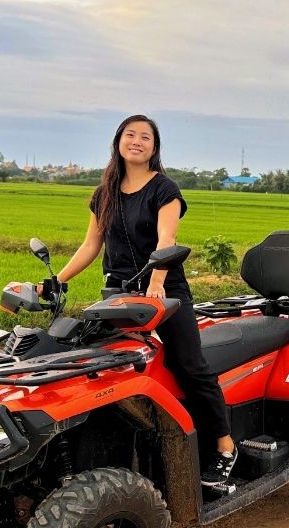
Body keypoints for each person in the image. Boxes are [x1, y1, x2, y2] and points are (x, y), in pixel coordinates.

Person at [44, 115, 236, 489]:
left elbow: (167, 240)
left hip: (165, 291)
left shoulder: (165, 189)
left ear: (154, 147)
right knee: (99, 362)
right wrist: (55, 282)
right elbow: (90, 245)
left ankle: (225, 446)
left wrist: (157, 282)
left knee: (190, 364)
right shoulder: (104, 194)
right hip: (118, 293)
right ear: (118, 142)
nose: (136, 141)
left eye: (144, 137)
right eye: (129, 135)